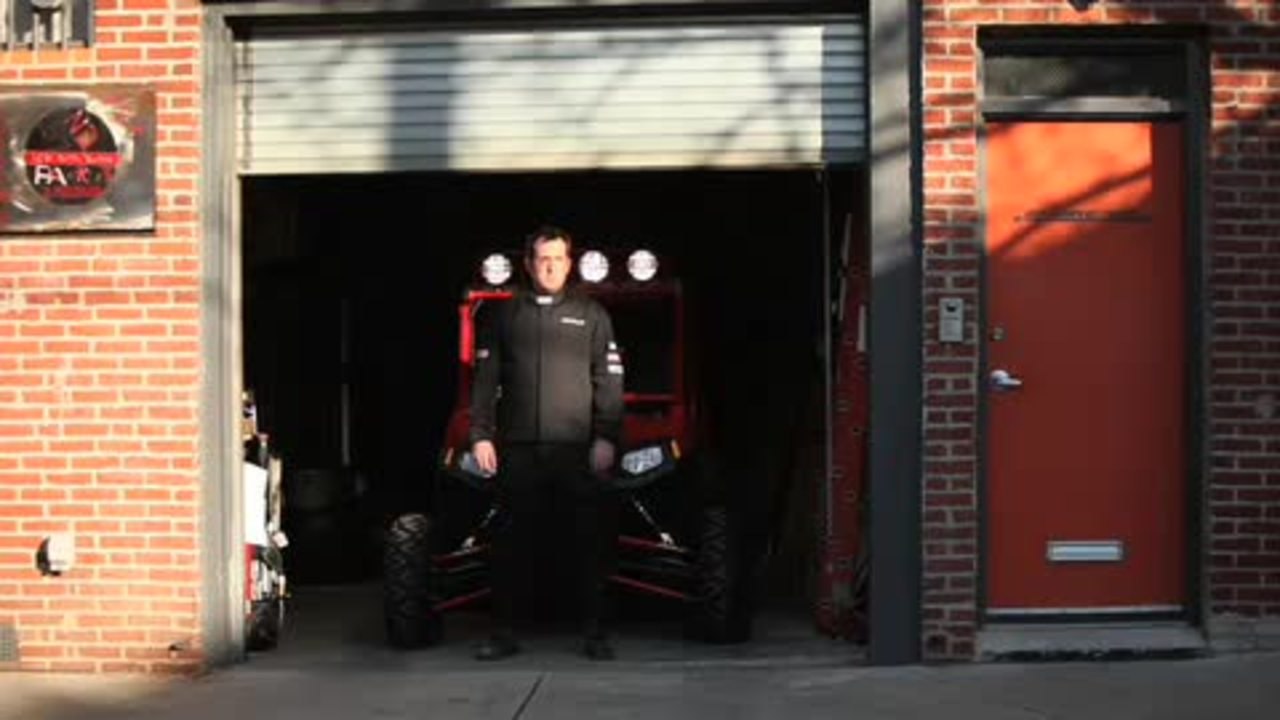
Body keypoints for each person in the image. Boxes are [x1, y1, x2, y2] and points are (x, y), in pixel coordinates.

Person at [468, 225, 624, 661]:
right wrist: (481, 435)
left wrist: (606, 437)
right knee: (510, 544)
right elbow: (484, 382)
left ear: (569, 263)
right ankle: (503, 633)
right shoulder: (504, 316)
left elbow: (608, 382)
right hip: (518, 450)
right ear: (528, 264)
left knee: (588, 541)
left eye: (558, 258)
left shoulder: (592, 316)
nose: (550, 266)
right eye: (542, 258)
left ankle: (595, 633)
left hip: (575, 449)